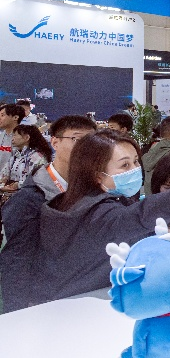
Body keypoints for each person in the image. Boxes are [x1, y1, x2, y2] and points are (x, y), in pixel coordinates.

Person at [33, 130, 170, 306]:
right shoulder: (95, 213)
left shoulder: (83, 201)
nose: (135, 169)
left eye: (136, 161)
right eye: (124, 165)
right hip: (76, 310)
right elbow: (136, 216)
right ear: (98, 175)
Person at [0, 115, 96, 312]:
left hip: (86, 296)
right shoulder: (30, 199)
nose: (86, 148)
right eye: (76, 139)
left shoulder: (96, 191)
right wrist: (18, 312)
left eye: (92, 142)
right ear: (55, 142)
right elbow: (16, 261)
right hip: (44, 301)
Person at [0, 125, 52, 195]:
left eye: (15, 135)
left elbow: (38, 180)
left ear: (27, 138)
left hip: (28, 196)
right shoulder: (16, 155)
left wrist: (18, 185)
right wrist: (3, 182)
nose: (12, 139)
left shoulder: (38, 157)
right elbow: (4, 173)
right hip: (11, 195)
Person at [0, 104, 25, 177]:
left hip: (13, 181)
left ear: (15, 117)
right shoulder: (1, 135)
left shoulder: (23, 138)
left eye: (2, 115)